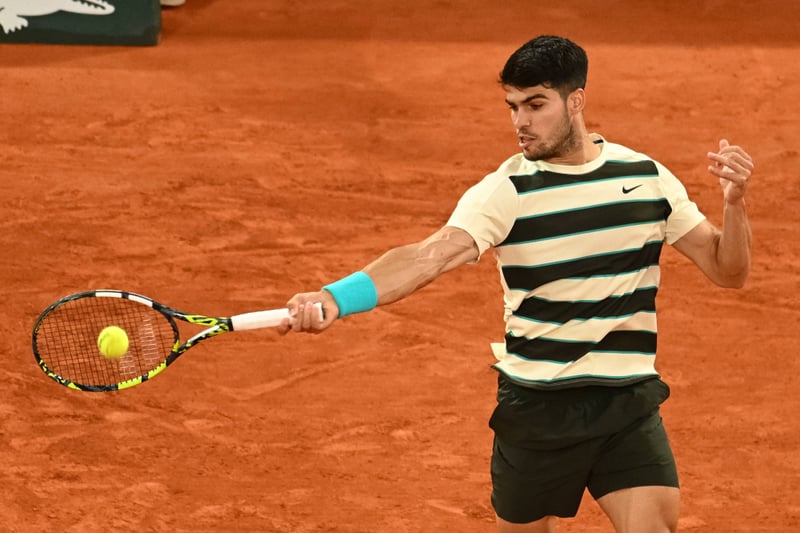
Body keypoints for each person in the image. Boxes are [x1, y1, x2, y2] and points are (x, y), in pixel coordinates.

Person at [279, 35, 753, 532]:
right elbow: (426, 258)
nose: (520, 121)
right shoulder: (506, 191)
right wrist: (336, 297)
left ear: (576, 101)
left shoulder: (646, 178)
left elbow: (728, 270)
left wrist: (734, 203)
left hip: (625, 402)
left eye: (535, 105)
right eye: (513, 106)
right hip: (537, 410)